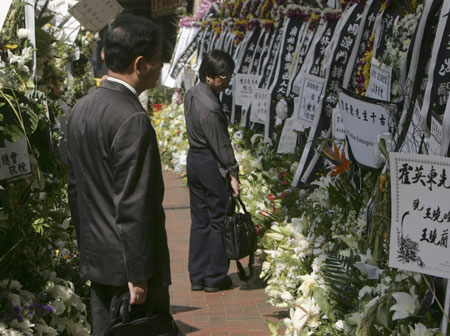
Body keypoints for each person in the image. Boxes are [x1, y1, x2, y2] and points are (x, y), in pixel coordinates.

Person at [67, 14, 171, 335]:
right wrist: (138, 274)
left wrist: (89, 251)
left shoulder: (81, 108)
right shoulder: (132, 119)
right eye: (159, 60)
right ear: (140, 64)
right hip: (130, 269)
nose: (161, 67)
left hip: (98, 260)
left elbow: (75, 189)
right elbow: (134, 205)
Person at [184, 49, 240, 293]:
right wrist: (233, 173)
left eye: (228, 75)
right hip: (210, 162)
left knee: (199, 220)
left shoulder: (193, 93)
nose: (226, 81)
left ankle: (197, 276)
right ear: (208, 76)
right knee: (219, 219)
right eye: (222, 77)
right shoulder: (211, 108)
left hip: (194, 160)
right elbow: (221, 144)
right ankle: (215, 277)